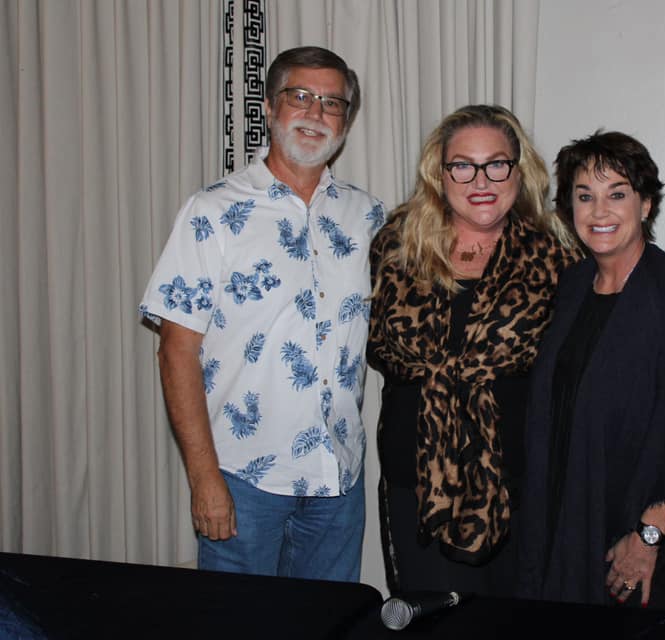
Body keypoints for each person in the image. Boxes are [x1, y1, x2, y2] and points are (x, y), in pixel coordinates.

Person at [139, 46, 384, 580]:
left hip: (338, 481)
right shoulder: (212, 212)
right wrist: (203, 479)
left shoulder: (369, 216)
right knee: (240, 620)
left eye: (332, 103)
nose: (316, 113)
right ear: (270, 107)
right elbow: (176, 352)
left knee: (330, 619)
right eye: (301, 97)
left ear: (346, 121)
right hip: (241, 482)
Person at [516, 131, 665, 613]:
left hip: (647, 541)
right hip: (576, 519)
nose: (600, 211)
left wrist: (647, 536)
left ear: (646, 204)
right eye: (585, 196)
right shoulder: (573, 286)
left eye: (617, 194)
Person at [367, 104, 579, 596]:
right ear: (439, 175)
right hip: (417, 484)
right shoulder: (397, 247)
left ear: (519, 171)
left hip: (519, 484)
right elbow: (379, 348)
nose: (480, 180)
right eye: (462, 165)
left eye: (496, 164)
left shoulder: (556, 255)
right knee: (431, 621)